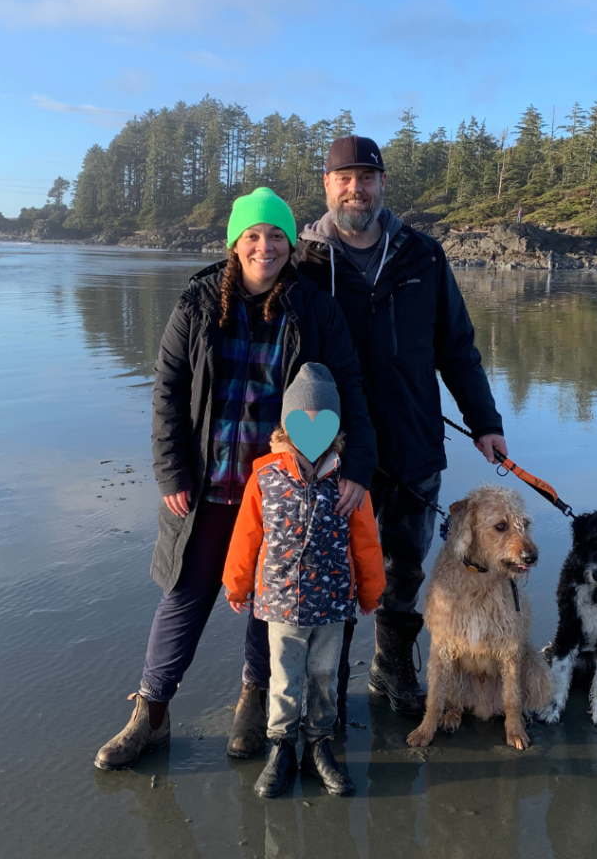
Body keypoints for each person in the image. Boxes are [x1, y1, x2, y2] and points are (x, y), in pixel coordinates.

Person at [94, 187, 376, 770]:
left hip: (283, 486)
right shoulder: (198, 301)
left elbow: (350, 386)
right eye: (253, 236)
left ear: (291, 244)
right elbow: (168, 389)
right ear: (234, 243)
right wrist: (170, 469)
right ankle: (150, 711)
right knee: (186, 595)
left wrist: (361, 468)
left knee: (266, 603)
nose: (265, 247)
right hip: (207, 483)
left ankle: (254, 699)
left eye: (276, 236)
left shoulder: (314, 309)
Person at [294, 134, 509, 715]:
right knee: (330, 570)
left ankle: (391, 670)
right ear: (327, 185)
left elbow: (457, 348)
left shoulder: (424, 255)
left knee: (406, 568)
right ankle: (329, 683)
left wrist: (484, 421)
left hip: (414, 440)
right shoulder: (302, 261)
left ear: (383, 184)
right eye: (344, 177)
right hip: (332, 447)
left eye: (366, 177)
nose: (355, 188)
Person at [223, 364, 385, 798]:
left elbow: (366, 543)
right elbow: (247, 535)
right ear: (287, 424)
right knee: (283, 679)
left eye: (322, 422)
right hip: (281, 605)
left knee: (324, 677)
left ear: (335, 429)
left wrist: (371, 592)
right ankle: (281, 748)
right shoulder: (265, 476)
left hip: (333, 605)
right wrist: (236, 584)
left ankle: (318, 746)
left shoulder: (350, 483)